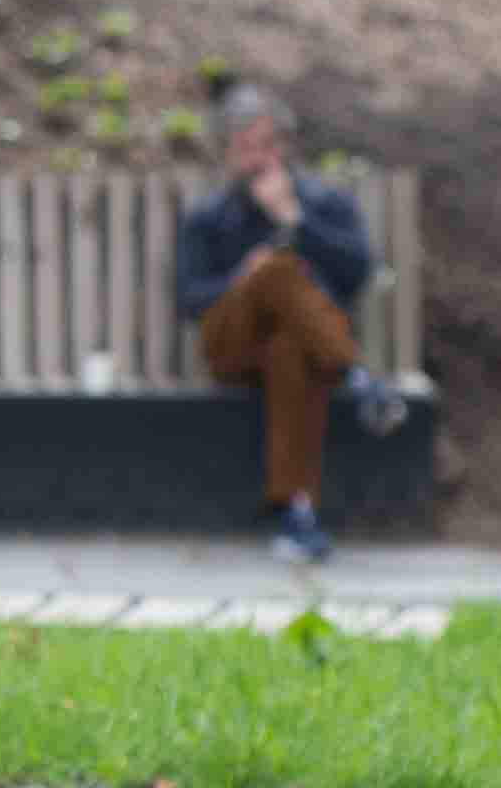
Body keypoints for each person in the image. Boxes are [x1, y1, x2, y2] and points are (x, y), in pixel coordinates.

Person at [175, 89, 423, 566]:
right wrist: (243, 279)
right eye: (245, 148)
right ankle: (358, 378)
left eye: (267, 145)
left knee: (289, 348)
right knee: (276, 270)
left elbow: (356, 274)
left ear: (286, 147)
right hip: (231, 347)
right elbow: (189, 299)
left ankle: (297, 516)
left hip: (303, 352)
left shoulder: (322, 205)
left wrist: (295, 220)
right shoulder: (208, 217)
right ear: (228, 154)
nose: (258, 159)